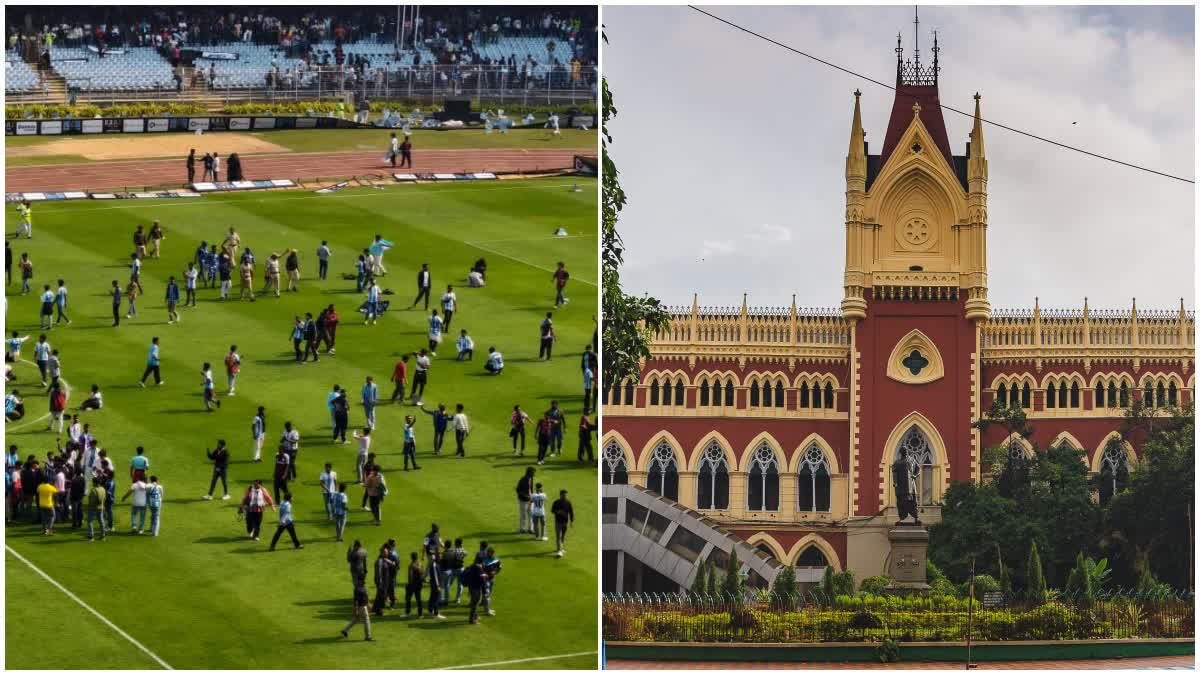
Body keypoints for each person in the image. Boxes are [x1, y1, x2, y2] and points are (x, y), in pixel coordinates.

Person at [372, 544, 398, 616]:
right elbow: (379, 572)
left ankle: (375, 608)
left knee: (379, 595)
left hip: (385, 581)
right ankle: (380, 610)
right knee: (382, 596)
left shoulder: (384, 560)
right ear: (382, 553)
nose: (387, 553)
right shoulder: (379, 561)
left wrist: (389, 561)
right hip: (382, 582)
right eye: (386, 552)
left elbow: (394, 565)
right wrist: (380, 582)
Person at [551, 489, 574, 557]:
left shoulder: (568, 502)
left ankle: (561, 547)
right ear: (560, 495)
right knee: (559, 536)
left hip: (565, 522)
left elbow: (571, 512)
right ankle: (559, 551)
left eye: (566, 495)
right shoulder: (556, 502)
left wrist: (571, 521)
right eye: (564, 495)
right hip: (558, 522)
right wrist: (557, 512)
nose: (565, 496)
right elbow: (552, 510)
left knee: (562, 536)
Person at [404, 552, 424, 617]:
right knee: (419, 600)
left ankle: (408, 613)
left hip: (412, 585)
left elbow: (410, 577)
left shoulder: (411, 565)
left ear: (411, 557)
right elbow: (422, 574)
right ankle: (420, 614)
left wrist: (408, 585)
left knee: (408, 599)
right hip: (419, 584)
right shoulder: (420, 564)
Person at [516, 467, 535, 533]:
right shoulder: (523, 480)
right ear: (529, 473)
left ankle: (531, 529)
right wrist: (526, 496)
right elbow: (518, 490)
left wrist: (532, 497)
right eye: (533, 472)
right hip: (523, 500)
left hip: (530, 499)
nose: (534, 474)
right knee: (523, 515)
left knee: (531, 514)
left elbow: (531, 489)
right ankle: (522, 529)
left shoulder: (531, 478)